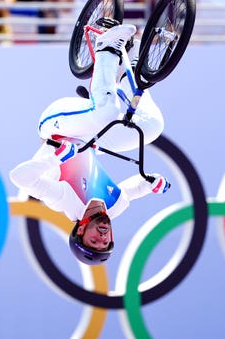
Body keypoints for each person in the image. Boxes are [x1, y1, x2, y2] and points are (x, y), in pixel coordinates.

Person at [10, 23, 170, 265]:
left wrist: (55, 157)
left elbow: (18, 178)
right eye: (105, 243)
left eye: (94, 241)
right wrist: (153, 184)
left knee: (106, 112)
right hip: (90, 135)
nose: (102, 237)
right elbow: (132, 190)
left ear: (80, 231)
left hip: (56, 128)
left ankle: (106, 47)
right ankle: (134, 68)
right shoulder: (115, 207)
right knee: (151, 127)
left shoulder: (64, 201)